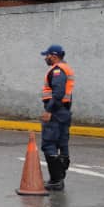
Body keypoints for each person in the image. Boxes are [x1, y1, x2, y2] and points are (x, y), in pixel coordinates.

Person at [39, 44, 74, 191]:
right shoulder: (66, 68)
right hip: (64, 111)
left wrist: (49, 110)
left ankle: (56, 180)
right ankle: (60, 179)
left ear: (54, 56)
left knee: (49, 144)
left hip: (56, 111)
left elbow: (58, 93)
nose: (45, 58)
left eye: (47, 55)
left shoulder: (58, 70)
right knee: (62, 143)